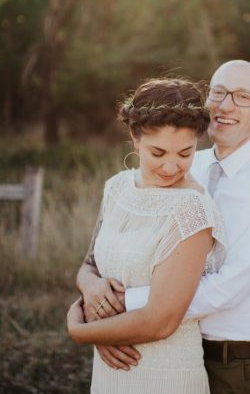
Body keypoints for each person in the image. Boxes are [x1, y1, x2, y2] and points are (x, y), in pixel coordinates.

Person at [79, 60, 250, 394]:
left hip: (231, 359)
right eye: (218, 92)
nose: (225, 105)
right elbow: (128, 251)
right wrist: (106, 311)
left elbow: (232, 284)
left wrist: (119, 313)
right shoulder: (182, 163)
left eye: (243, 96)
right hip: (159, 346)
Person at [67, 78, 226, 393]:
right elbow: (89, 264)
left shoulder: (193, 211)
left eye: (185, 153)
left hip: (165, 374)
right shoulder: (116, 187)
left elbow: (161, 321)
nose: (171, 166)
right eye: (158, 152)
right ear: (135, 138)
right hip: (110, 373)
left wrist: (81, 331)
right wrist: (91, 288)